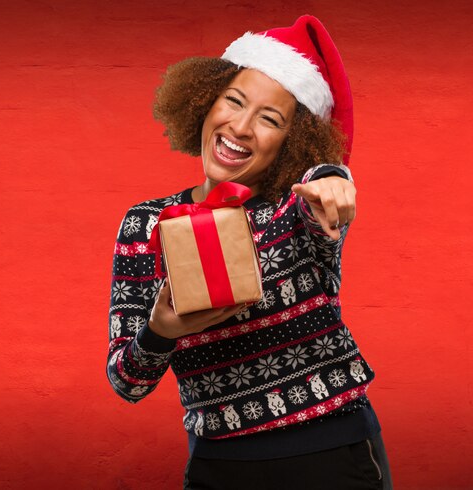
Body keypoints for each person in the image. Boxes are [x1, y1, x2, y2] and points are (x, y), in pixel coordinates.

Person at [106, 15, 393, 490]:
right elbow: (126, 381)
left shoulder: (297, 206)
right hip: (218, 465)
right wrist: (160, 331)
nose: (240, 127)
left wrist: (335, 179)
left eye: (270, 119)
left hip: (332, 455)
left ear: (291, 141)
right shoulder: (145, 225)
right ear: (204, 101)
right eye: (233, 102)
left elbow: (325, 192)